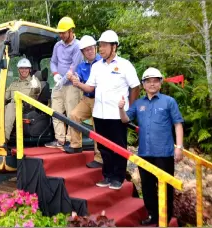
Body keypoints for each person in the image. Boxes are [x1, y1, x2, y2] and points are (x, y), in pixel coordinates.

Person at [71, 30, 141, 190]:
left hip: (117, 115)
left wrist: (130, 111)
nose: (100, 49)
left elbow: (135, 87)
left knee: (119, 147)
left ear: (114, 47)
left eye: (103, 46)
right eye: (99, 46)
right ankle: (108, 176)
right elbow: (90, 87)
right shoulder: (96, 67)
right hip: (99, 114)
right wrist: (77, 83)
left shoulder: (124, 65)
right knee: (103, 147)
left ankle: (119, 177)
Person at [118, 67, 184, 226]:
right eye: (148, 81)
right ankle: (153, 216)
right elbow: (125, 120)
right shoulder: (139, 103)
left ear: (160, 83)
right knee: (147, 188)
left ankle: (166, 218)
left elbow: (178, 124)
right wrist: (120, 108)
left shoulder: (169, 101)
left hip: (164, 152)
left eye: (155, 81)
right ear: (143, 84)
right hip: (144, 153)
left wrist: (179, 147)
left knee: (166, 187)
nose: (152, 84)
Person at [45, 16, 84, 149]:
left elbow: (73, 67)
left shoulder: (78, 46)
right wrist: (55, 74)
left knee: (71, 113)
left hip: (71, 85)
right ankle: (60, 140)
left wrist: (62, 80)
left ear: (71, 31)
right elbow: (53, 62)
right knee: (55, 111)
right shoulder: (57, 45)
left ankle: (70, 141)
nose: (61, 35)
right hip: (59, 84)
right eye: (60, 32)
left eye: (63, 32)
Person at [64, 35, 102, 167]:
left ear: (95, 48)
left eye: (91, 48)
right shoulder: (82, 66)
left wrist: (77, 82)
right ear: (83, 53)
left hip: (100, 100)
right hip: (87, 99)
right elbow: (77, 77)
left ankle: (99, 158)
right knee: (74, 115)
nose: (89, 51)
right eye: (86, 50)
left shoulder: (103, 62)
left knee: (98, 127)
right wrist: (72, 77)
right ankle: (76, 145)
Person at [4, 58, 41, 141]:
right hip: (13, 105)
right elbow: (5, 97)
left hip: (27, 106)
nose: (24, 70)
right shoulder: (14, 83)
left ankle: (4, 138)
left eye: (26, 68)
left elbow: (36, 92)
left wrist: (35, 87)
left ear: (29, 69)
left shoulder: (34, 81)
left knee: (10, 106)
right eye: (21, 68)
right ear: (18, 70)